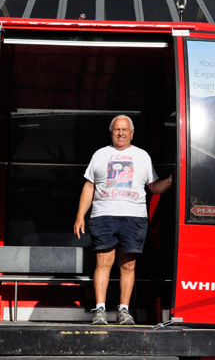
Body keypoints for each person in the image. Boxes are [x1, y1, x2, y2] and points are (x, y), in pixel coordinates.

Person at [74, 115, 172, 325]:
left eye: (125, 130)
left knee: (128, 265)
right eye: (117, 129)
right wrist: (80, 216)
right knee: (103, 262)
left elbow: (154, 187)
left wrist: (173, 179)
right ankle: (100, 311)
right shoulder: (100, 154)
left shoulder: (142, 156)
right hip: (103, 215)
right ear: (111, 132)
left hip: (134, 216)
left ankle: (124, 311)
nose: (121, 133)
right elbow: (89, 186)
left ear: (132, 133)